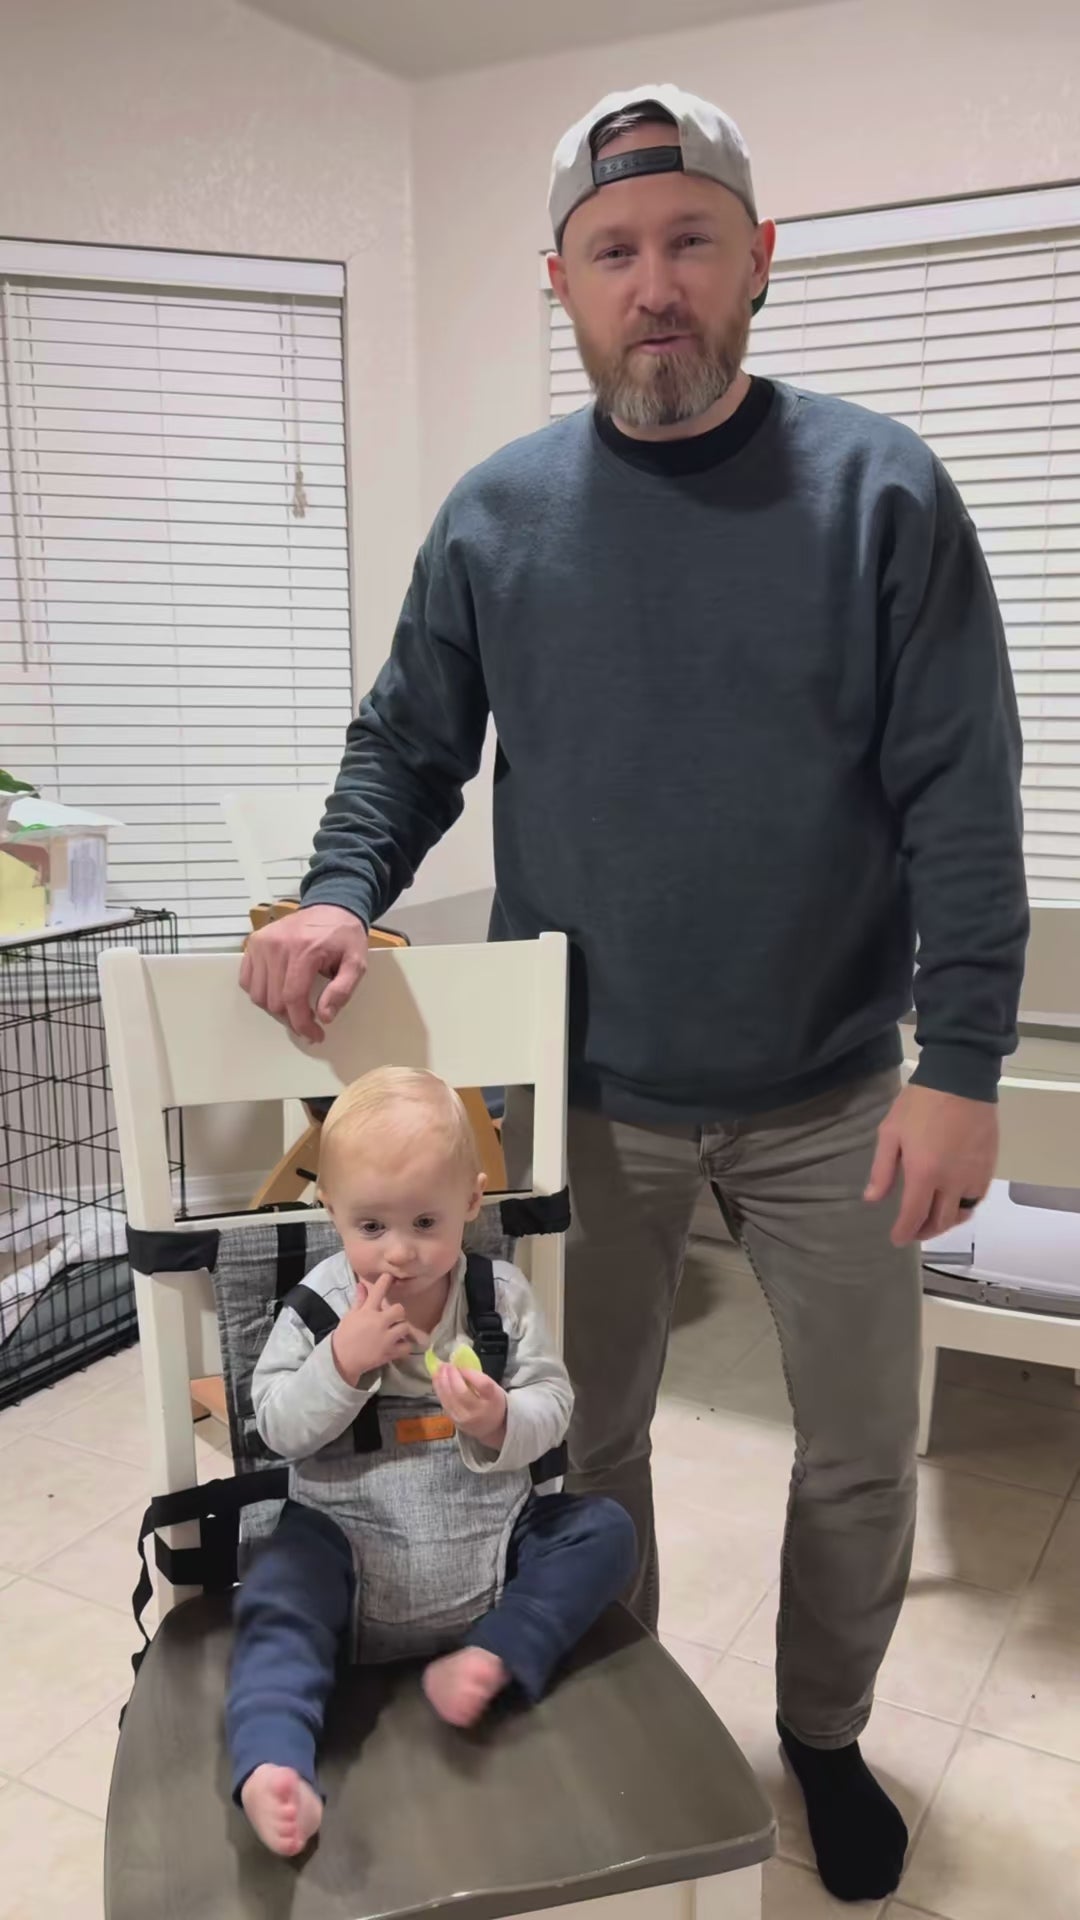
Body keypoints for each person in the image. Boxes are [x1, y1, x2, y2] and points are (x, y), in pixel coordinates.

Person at [238, 85, 1028, 1899]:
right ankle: (630, 1711)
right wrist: (342, 890)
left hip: (838, 1089)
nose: (652, 284)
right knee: (579, 1445)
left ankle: (821, 1734)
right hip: (585, 1087)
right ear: (563, 285)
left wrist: (966, 1056)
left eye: (689, 243)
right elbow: (406, 746)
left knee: (861, 1449)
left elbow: (961, 792)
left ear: (758, 260)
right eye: (612, 252)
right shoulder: (499, 518)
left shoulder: (884, 492)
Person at [227, 1066, 636, 1857]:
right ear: (330, 1209)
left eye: (424, 1221)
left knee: (604, 1530)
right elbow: (273, 1426)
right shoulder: (318, 1305)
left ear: (471, 1203)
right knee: (274, 1593)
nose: (400, 1251)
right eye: (370, 1225)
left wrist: (500, 1418)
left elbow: (554, 1403)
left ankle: (495, 1651)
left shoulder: (499, 1297)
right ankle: (274, 1759)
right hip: (345, 1547)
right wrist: (341, 1364)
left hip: (492, 1546)